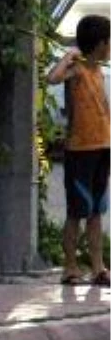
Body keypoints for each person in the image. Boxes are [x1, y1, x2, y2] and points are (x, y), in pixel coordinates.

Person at [47, 14, 111, 286]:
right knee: (76, 212)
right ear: (100, 44)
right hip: (80, 151)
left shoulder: (97, 70)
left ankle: (98, 268)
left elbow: (104, 109)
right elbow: (52, 78)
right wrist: (68, 57)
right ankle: (70, 268)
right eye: (110, 43)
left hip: (102, 148)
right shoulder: (77, 69)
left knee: (96, 212)